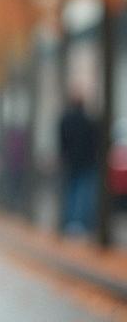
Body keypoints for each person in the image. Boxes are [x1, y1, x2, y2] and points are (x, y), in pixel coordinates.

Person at [58, 89, 100, 235]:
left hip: (71, 162)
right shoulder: (89, 120)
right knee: (85, 193)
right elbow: (95, 142)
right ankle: (82, 223)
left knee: (71, 192)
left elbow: (62, 142)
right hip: (87, 162)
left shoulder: (65, 120)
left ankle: (71, 222)